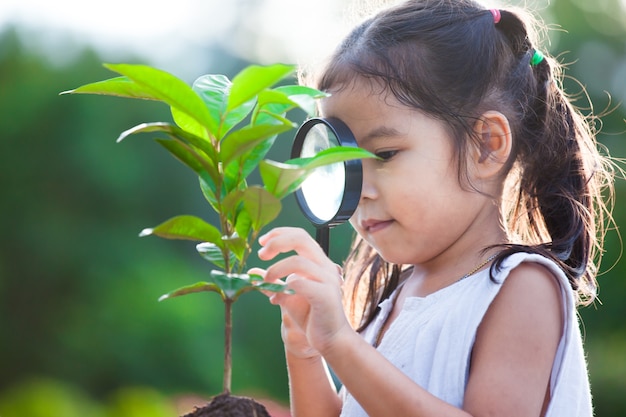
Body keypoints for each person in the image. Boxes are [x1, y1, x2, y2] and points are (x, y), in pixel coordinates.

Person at [253, 0, 616, 415]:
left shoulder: (520, 288)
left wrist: (341, 342)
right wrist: (306, 350)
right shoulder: (395, 299)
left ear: (486, 146)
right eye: (341, 164)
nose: (360, 191)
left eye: (385, 154)